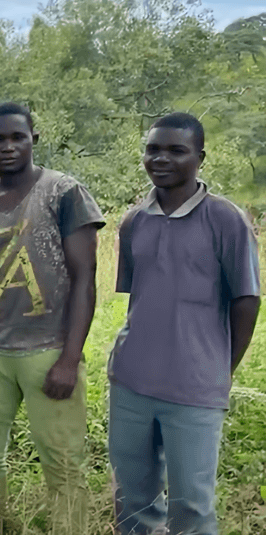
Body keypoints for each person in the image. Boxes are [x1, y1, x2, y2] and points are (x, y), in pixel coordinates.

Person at [0, 102, 105, 535]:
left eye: (18, 137)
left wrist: (69, 359)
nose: (8, 146)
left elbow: (84, 279)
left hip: (49, 350)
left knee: (64, 460)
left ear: (34, 139)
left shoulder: (63, 192)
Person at [108, 112, 260, 535]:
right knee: (133, 501)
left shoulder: (226, 220)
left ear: (200, 157)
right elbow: (140, 300)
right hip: (131, 382)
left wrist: (220, 368)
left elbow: (246, 301)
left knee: (192, 506)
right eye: (153, 149)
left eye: (177, 150)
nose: (162, 159)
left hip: (194, 389)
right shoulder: (135, 220)